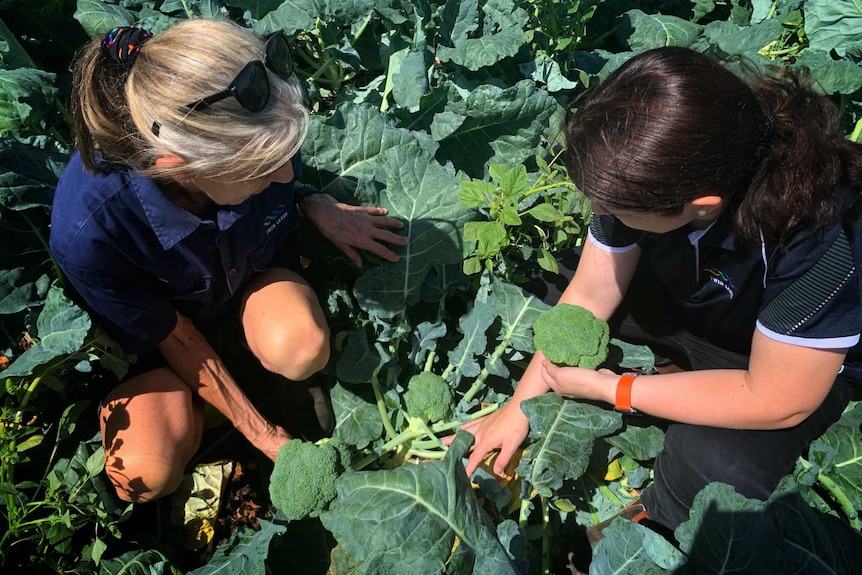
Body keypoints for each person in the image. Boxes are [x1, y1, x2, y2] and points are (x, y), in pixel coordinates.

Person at [459, 46, 860, 532]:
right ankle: (674, 372)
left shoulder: (821, 238)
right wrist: (519, 408)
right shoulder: (661, 168)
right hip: (695, 302)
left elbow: (777, 398)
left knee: (717, 467)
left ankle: (655, 522)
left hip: (779, 362)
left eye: (618, 208)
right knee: (549, 289)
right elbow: (588, 295)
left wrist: (615, 388)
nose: (600, 211)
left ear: (701, 203)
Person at [49, 19, 408, 504]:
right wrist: (261, 434)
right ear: (179, 164)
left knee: (301, 346)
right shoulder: (89, 230)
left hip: (247, 276)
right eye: (264, 166)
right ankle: (196, 418)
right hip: (164, 339)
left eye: (288, 154)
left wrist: (313, 201)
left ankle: (262, 370)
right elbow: (173, 336)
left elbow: (284, 179)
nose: (284, 171)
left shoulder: (249, 113)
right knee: (144, 472)